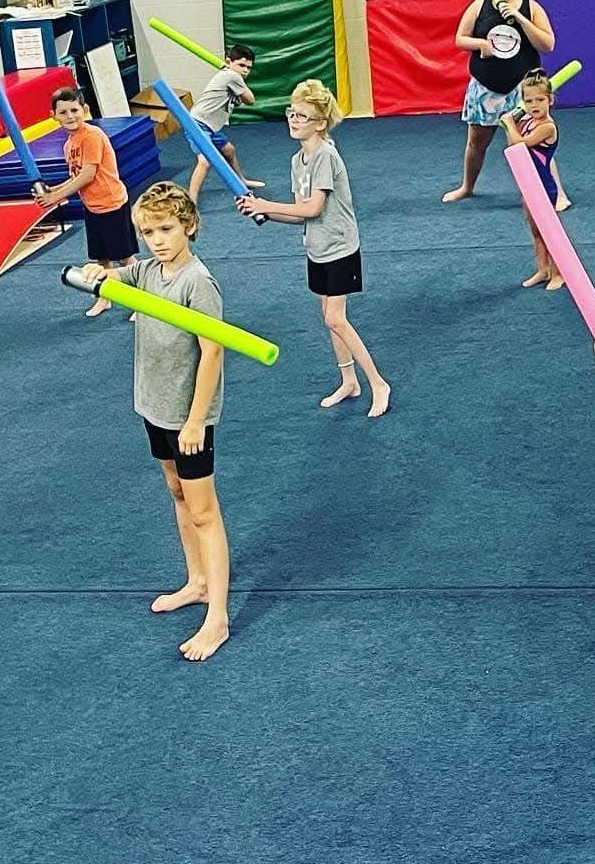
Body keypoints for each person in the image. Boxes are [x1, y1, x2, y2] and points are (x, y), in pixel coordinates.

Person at [84, 181, 230, 661]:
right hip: (154, 406)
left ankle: (218, 619)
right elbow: (115, 279)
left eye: (166, 228)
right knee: (176, 493)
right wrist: (93, 272)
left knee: (204, 511)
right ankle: (198, 581)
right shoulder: (148, 272)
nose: (158, 239)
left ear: (188, 226)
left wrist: (195, 422)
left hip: (188, 416)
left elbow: (212, 353)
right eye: (148, 232)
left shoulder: (197, 282)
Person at [237, 80, 391, 417]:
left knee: (336, 317)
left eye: (302, 116)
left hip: (339, 247)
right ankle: (349, 381)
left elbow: (312, 209)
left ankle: (378, 383)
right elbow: (299, 216)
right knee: (330, 318)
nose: (293, 120)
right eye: (291, 113)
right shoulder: (298, 160)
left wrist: (265, 203)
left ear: (320, 123)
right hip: (316, 247)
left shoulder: (325, 155)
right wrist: (262, 211)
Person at [442, 0, 557, 205]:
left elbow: (548, 44)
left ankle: (554, 194)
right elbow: (460, 39)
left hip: (522, 90)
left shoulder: (532, 8)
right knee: (476, 142)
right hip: (485, 88)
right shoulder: (479, 5)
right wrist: (481, 44)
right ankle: (467, 186)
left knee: (536, 141)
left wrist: (520, 19)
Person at [33, 85, 136, 317]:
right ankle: (104, 297)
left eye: (74, 110)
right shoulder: (69, 144)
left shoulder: (91, 136)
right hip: (93, 206)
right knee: (101, 259)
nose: (70, 116)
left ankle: (142, 303)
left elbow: (88, 175)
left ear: (85, 110)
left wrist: (55, 197)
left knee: (124, 257)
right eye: (63, 112)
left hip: (111, 203)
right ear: (54, 116)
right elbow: (76, 176)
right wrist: (52, 190)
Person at [501, 70, 563, 290]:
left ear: (550, 100)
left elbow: (519, 145)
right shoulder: (527, 120)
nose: (534, 105)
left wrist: (509, 123)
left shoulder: (547, 127)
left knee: (549, 232)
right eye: (528, 101)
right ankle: (543, 269)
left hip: (543, 186)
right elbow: (512, 147)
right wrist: (513, 124)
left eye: (540, 100)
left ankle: (558, 273)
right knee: (536, 231)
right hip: (528, 185)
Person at [186, 43, 263, 203]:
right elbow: (250, 99)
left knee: (228, 150)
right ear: (228, 62)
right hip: (198, 123)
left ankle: (241, 180)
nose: (245, 71)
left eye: (248, 68)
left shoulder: (229, 77)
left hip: (209, 126)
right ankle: (190, 201)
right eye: (241, 65)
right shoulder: (231, 76)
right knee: (205, 162)